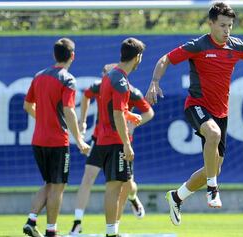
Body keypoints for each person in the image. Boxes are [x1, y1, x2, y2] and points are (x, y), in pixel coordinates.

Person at [145, 2, 243, 226]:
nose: (227, 30)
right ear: (211, 23)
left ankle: (177, 196)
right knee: (212, 135)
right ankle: (213, 189)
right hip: (196, 104)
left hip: (221, 113)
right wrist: (155, 81)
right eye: (222, 25)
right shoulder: (198, 45)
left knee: (213, 167)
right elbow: (165, 59)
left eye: (230, 25)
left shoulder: (236, 46)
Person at [69, 63, 154, 235]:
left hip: (120, 141)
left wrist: (132, 126)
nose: (105, 78)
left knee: (126, 185)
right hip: (99, 139)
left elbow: (148, 112)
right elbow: (85, 96)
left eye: (108, 75)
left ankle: (131, 201)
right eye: (104, 75)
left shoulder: (129, 90)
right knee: (89, 177)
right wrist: (83, 120)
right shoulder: (100, 86)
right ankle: (77, 222)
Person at [22, 38, 90, 237]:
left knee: (49, 184)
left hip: (38, 140)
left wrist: (43, 118)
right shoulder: (67, 79)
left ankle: (31, 220)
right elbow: (69, 110)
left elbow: (27, 106)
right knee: (58, 187)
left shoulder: (39, 76)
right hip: (57, 141)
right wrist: (79, 140)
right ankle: (51, 231)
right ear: (73, 56)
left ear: (54, 55)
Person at [88, 37, 145, 237]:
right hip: (115, 141)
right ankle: (112, 233)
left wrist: (130, 114)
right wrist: (127, 144)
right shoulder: (121, 81)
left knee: (118, 186)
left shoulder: (109, 76)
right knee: (114, 188)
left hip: (102, 138)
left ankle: (113, 230)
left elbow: (112, 108)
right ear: (137, 57)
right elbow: (117, 114)